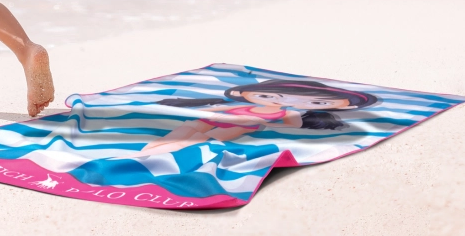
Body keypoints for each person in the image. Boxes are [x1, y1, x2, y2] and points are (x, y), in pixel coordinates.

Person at [140, 79, 377, 154]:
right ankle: (147, 152)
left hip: (241, 126)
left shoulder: (288, 111)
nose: (281, 101)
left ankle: (162, 154)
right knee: (183, 132)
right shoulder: (236, 104)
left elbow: (292, 125)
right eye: (268, 95)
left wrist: (269, 122)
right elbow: (213, 111)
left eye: (317, 102)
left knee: (198, 140)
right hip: (211, 120)